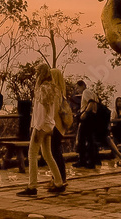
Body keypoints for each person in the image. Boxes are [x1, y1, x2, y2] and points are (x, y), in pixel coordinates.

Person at [17, 64, 65, 196]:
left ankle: (32, 186)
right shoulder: (54, 88)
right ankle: (59, 182)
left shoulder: (42, 89)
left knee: (32, 154)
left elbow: (41, 110)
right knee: (48, 155)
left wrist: (37, 127)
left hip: (41, 126)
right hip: (50, 125)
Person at [49, 69, 72, 181]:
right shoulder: (61, 92)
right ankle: (59, 177)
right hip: (59, 127)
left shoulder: (55, 92)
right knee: (56, 152)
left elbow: (53, 111)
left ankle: (58, 178)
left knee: (54, 153)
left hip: (54, 126)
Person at [74, 79, 100, 168]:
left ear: (82, 86)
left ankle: (84, 160)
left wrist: (84, 112)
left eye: (77, 88)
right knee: (89, 139)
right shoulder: (91, 93)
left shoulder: (86, 92)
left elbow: (91, 103)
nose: (77, 90)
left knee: (82, 139)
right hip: (92, 118)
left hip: (87, 118)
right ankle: (89, 160)